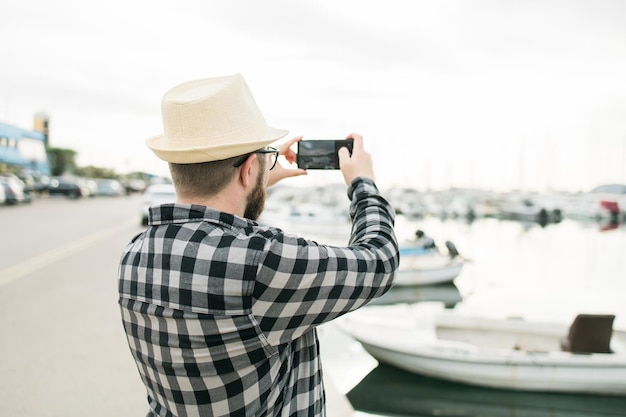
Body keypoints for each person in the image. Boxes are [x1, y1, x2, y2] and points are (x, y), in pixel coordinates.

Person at [118, 73, 399, 417]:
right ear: (248, 169)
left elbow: (218, 231)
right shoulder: (260, 262)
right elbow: (379, 261)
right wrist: (362, 182)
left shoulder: (135, 254)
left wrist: (259, 178)